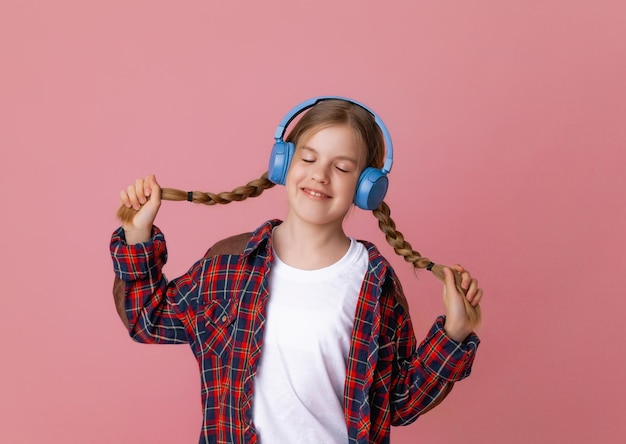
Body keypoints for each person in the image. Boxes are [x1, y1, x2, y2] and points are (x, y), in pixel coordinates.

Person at [110, 97, 483, 444]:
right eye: (308, 159)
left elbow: (398, 402)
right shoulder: (230, 263)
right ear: (283, 163)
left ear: (367, 187)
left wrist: (453, 333)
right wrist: (137, 233)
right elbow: (149, 318)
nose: (320, 175)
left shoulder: (374, 282)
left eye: (341, 167)